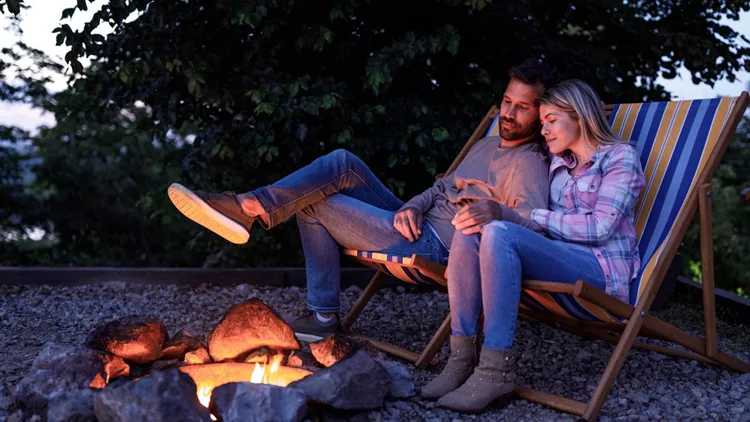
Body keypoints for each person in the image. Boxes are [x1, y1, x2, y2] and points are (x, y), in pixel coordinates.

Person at [167, 59, 560, 341]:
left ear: (541, 114)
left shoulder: (529, 164)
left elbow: (525, 226)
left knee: (312, 203)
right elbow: (442, 187)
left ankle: (318, 308)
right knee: (342, 162)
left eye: (522, 107)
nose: (508, 113)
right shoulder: (489, 142)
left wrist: (489, 214)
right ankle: (251, 207)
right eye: (507, 101)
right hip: (413, 221)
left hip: (439, 246)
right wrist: (412, 205)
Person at [420, 79, 646, 412]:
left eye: (551, 121)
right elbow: (530, 220)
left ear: (580, 117)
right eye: (542, 124)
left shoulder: (619, 158)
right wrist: (499, 213)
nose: (544, 131)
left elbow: (601, 226)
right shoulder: (556, 167)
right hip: (559, 258)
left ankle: (496, 369)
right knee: (474, 228)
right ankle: (461, 357)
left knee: (498, 231)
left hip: (599, 270)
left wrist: (521, 217)